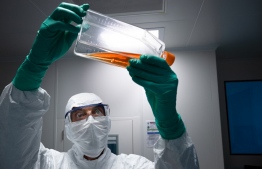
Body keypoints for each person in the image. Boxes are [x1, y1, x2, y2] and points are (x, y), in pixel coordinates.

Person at [0, 2, 199, 169]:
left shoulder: (133, 166)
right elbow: (13, 147)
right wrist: (33, 68)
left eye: (97, 112)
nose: (91, 120)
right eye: (80, 115)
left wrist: (169, 122)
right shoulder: (49, 163)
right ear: (68, 126)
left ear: (108, 119)